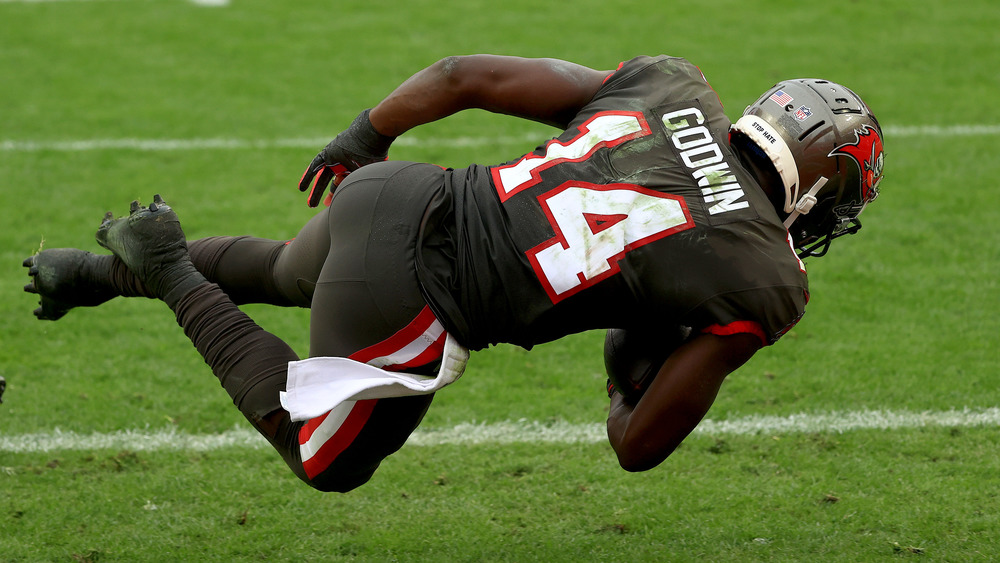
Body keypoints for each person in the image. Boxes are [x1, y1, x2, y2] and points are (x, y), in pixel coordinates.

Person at [23, 54, 884, 492]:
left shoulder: (672, 86)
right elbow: (637, 444)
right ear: (817, 186)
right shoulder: (765, 278)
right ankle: (169, 268)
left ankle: (88, 273)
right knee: (327, 460)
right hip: (424, 291)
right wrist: (632, 355)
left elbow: (463, 75)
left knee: (291, 270)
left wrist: (365, 135)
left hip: (397, 192)